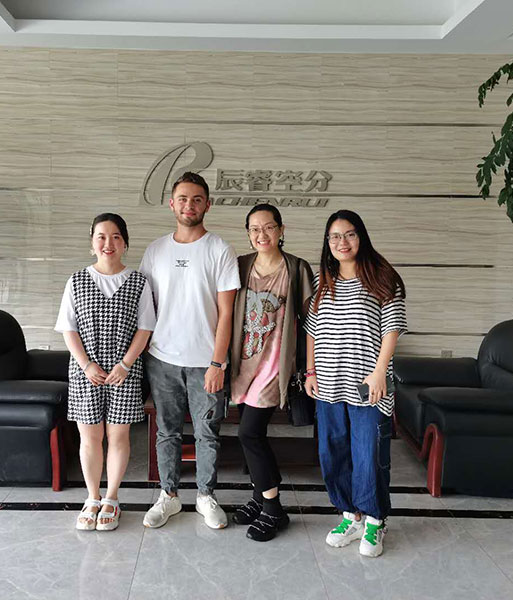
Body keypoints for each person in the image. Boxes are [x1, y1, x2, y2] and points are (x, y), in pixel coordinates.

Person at [304, 209, 407, 557]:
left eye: (349, 234)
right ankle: (351, 515)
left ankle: (375, 520)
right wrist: (310, 371)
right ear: (327, 242)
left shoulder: (382, 276)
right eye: (334, 236)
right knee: (332, 452)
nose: (342, 242)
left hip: (368, 383)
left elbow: (392, 328)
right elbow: (311, 331)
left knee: (369, 454)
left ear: (361, 236)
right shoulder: (322, 281)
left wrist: (379, 372)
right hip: (329, 383)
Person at [139, 171, 240, 530]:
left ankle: (205, 496)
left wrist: (218, 362)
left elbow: (227, 313)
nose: (189, 205)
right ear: (172, 204)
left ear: (207, 205)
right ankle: (168, 496)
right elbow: (145, 306)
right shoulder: (155, 251)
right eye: (183, 199)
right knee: (166, 431)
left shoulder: (219, 250)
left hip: (205, 362)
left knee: (207, 433)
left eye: (197, 199)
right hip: (161, 359)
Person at [55, 213, 155, 531]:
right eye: (101, 236)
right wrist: (86, 364)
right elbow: (68, 329)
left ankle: (111, 498)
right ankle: (92, 498)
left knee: (118, 436)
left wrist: (125, 364)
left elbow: (145, 328)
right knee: (90, 437)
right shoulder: (76, 280)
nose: (108, 243)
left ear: (124, 243)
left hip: (125, 371)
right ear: (92, 243)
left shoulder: (139, 282)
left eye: (115, 236)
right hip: (85, 371)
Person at [229, 203, 314, 542]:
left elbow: (311, 322)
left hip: (273, 366)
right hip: (242, 365)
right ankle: (258, 496)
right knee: (252, 434)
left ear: (281, 229)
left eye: (268, 227)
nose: (261, 234)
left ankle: (274, 508)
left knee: (249, 434)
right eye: (254, 229)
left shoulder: (296, 268)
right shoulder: (240, 266)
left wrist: (309, 369)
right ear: (248, 234)